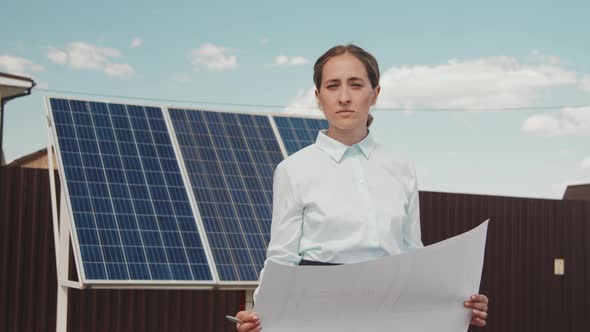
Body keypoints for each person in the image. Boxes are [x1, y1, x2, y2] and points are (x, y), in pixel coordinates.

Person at [234, 45, 489, 332]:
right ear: (319, 98)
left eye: (355, 85)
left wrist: (458, 304)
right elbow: (282, 258)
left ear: (375, 94)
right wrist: (260, 314)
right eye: (332, 86)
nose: (344, 97)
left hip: (391, 315)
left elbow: (412, 253)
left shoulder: (401, 167)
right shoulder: (293, 170)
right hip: (318, 315)